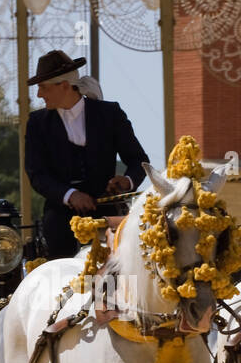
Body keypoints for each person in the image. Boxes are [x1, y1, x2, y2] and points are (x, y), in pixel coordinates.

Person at [24, 50, 149, 259]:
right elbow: (37, 174)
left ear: (64, 86)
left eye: (43, 87)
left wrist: (126, 181)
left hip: (108, 211)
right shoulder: (37, 124)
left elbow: (139, 161)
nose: (39, 95)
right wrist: (70, 195)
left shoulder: (110, 114)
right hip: (61, 216)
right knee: (57, 250)